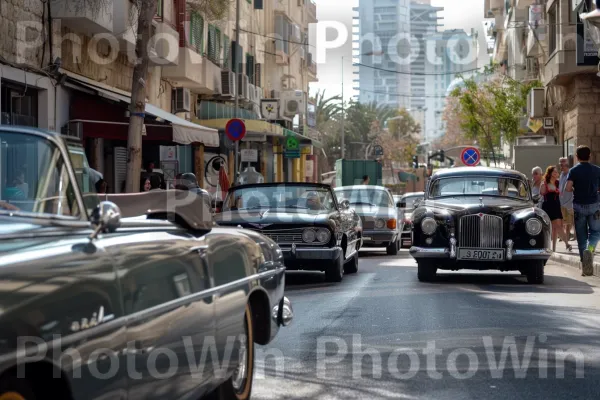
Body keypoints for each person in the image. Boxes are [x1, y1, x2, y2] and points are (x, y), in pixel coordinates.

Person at [565, 145, 600, 276]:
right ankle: (590, 250)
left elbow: (568, 188)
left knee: (581, 236)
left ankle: (584, 264)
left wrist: (575, 189)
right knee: (596, 232)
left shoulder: (573, 171)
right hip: (594, 206)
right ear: (590, 156)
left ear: (577, 157)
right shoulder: (597, 170)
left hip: (579, 206)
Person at [541, 166, 572, 252]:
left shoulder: (558, 183)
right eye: (554, 172)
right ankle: (566, 243)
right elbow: (542, 193)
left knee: (556, 227)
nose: (556, 173)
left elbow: (562, 192)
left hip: (557, 206)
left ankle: (554, 248)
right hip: (548, 206)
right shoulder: (545, 183)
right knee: (557, 226)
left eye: (556, 172)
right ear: (550, 173)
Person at [558, 157, 574, 241]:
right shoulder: (561, 174)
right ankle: (567, 237)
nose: (561, 165)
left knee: (570, 223)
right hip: (562, 201)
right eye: (560, 163)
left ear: (567, 164)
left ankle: (569, 239)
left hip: (570, 202)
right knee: (566, 222)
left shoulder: (570, 174)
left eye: (563, 163)